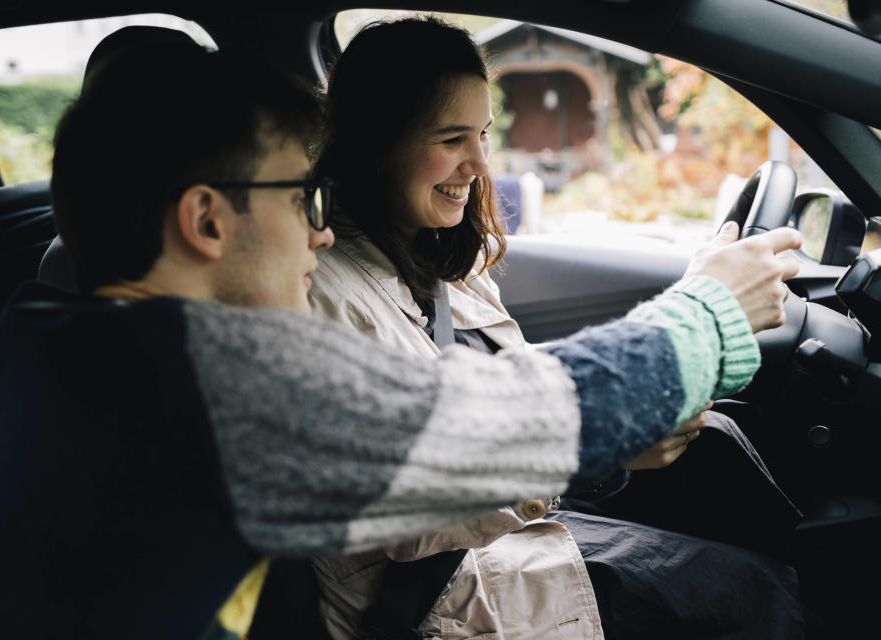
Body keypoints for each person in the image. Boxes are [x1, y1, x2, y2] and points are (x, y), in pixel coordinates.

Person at [0, 39, 799, 640]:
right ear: (205, 219)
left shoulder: (49, 348)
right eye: (303, 198)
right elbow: (515, 420)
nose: (324, 231)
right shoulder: (198, 384)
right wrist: (711, 310)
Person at [308, 16, 805, 640]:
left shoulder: (436, 255)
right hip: (432, 591)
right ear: (375, 145)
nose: (480, 164)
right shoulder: (322, 291)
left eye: (484, 134)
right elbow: (398, 495)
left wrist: (612, 437)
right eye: (452, 138)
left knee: (718, 454)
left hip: (498, 521)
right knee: (740, 590)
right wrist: (585, 450)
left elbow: (496, 382)